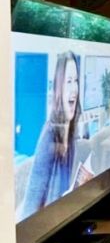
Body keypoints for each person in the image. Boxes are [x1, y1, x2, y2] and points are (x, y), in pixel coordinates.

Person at [21, 51, 85, 217]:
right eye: (68, 81)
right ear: (58, 89)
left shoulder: (72, 132)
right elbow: (31, 202)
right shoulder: (49, 135)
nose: (74, 89)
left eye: (76, 81)